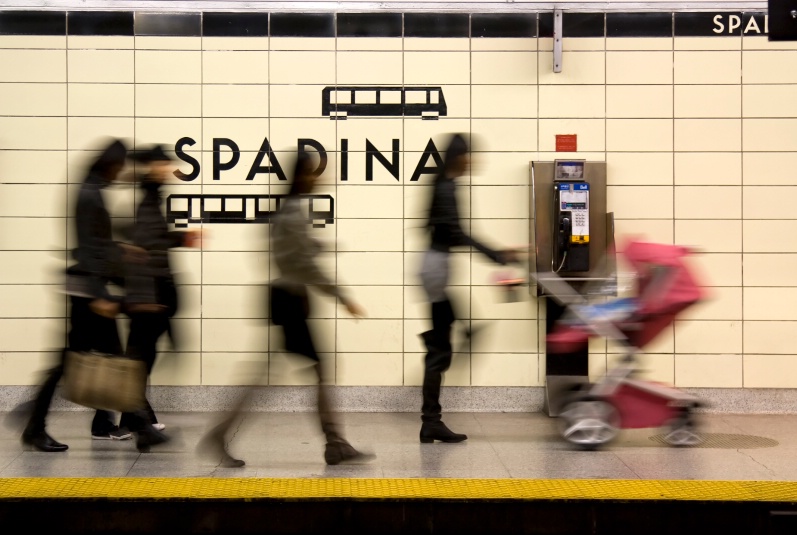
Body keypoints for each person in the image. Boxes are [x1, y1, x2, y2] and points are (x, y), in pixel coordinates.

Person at [197, 150, 374, 467]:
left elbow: (291, 252)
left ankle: (333, 442)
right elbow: (304, 265)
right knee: (308, 370)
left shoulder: (286, 211)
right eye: (314, 173)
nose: (320, 178)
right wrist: (342, 296)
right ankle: (334, 443)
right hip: (290, 300)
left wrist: (318, 247)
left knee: (277, 373)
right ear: (302, 176)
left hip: (284, 298)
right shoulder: (292, 214)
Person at [21, 139, 133, 452]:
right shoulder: (89, 194)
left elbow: (95, 245)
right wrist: (100, 295)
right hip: (87, 292)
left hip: (90, 287)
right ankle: (34, 424)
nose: (121, 173)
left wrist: (122, 252)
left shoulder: (91, 189)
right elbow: (88, 250)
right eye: (120, 167)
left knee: (109, 354)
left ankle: (107, 422)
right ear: (110, 164)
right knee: (72, 361)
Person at [418, 133, 518, 444]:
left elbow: (440, 227)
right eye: (469, 156)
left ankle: (431, 418)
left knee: (444, 340)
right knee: (440, 350)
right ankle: (430, 420)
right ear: (458, 157)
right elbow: (457, 232)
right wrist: (495, 254)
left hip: (435, 266)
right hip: (436, 268)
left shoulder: (440, 184)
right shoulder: (446, 186)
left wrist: (495, 253)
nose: (472, 162)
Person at [118, 144, 200, 447]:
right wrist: (144, 298)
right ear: (149, 167)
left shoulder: (153, 197)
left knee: (139, 358)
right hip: (148, 294)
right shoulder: (146, 200)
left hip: (154, 293)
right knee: (137, 359)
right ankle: (138, 423)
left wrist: (180, 237)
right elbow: (141, 251)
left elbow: (152, 241)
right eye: (162, 164)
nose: (168, 169)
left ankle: (132, 419)